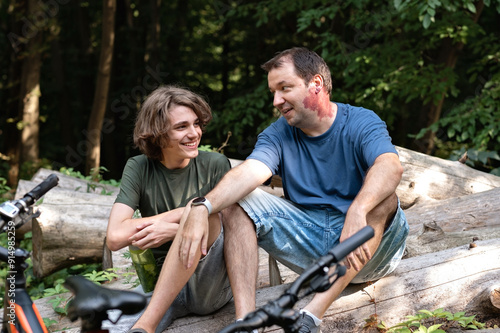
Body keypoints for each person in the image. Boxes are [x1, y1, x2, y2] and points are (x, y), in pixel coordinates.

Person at [179, 47, 409, 333]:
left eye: (284, 88)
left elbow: (390, 166)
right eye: (273, 92)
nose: (276, 100)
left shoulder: (361, 121)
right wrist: (204, 206)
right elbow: (251, 172)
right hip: (312, 245)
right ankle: (247, 323)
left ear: (315, 84)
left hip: (370, 250)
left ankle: (311, 316)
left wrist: (358, 208)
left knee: (385, 198)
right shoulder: (278, 133)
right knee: (235, 202)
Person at [105, 85, 233, 333]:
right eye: (181, 127)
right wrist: (181, 216)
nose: (195, 133)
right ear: (158, 134)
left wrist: (176, 230)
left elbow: (230, 230)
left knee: (210, 211)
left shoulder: (216, 164)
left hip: (210, 286)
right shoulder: (139, 167)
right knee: (104, 323)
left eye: (196, 124)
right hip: (163, 288)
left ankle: (148, 323)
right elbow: (115, 237)